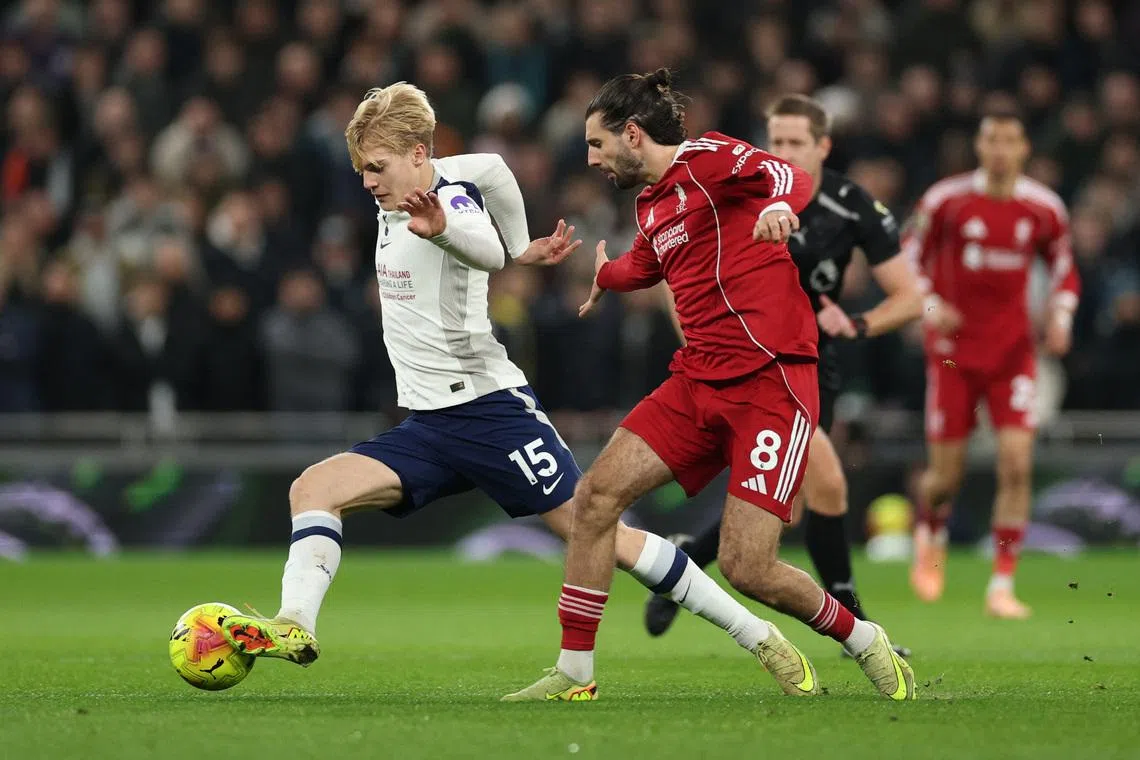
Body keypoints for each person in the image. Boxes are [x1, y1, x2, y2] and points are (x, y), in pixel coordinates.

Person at [217, 83, 841, 694]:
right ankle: (294, 625)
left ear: (415, 155)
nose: (368, 182)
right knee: (313, 488)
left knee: (599, 533)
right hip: (429, 424)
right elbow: (493, 166)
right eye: (360, 171)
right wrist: (525, 245)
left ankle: (756, 633)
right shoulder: (431, 179)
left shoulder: (448, 198)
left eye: (376, 167)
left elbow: (483, 248)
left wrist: (456, 235)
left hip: (491, 413)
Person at [504, 70, 915, 703]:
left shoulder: (711, 157)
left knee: (749, 567)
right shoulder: (650, 203)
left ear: (632, 134)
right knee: (594, 499)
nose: (589, 159)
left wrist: (780, 206)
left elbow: (788, 177)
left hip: (772, 381)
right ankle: (574, 674)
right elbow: (646, 264)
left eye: (595, 143)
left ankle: (861, 637)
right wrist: (604, 275)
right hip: (698, 380)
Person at [643, 95, 921, 658]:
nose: (784, 151)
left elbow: (913, 298)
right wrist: (701, 348)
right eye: (777, 140)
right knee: (826, 485)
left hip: (813, 364)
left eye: (797, 142)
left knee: (782, 510)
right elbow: (677, 277)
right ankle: (855, 623)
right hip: (741, 364)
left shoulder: (851, 205)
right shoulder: (737, 188)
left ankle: (688, 557)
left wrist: (859, 323)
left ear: (823, 146)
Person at [905, 105, 1079, 619]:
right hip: (954, 358)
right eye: (991, 140)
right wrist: (933, 306)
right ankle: (929, 530)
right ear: (979, 147)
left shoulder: (1043, 208)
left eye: (1010, 141)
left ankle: (1001, 584)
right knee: (946, 479)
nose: (1000, 150)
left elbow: (1065, 270)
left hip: (1012, 356)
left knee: (1017, 466)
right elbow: (907, 259)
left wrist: (1062, 316)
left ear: (1024, 149)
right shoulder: (947, 201)